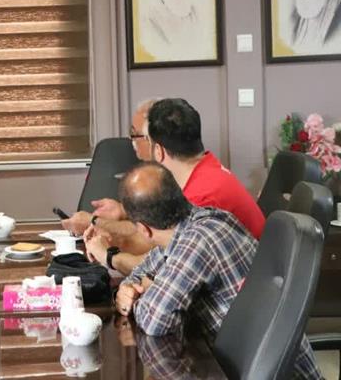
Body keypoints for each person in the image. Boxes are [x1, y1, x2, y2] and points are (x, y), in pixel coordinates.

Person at [114, 162, 320, 379]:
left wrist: (138, 296)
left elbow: (155, 322)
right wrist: (128, 287)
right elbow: (144, 268)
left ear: (144, 230)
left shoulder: (198, 240)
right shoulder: (198, 222)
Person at [84, 98, 265, 276]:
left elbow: (163, 266)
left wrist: (108, 255)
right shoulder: (206, 169)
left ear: (158, 151)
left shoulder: (201, 198)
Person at [61, 98, 156, 236]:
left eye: (136, 134)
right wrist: (123, 210)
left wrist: (94, 222)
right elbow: (150, 216)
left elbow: (149, 234)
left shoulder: (175, 182)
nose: (132, 140)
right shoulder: (152, 172)